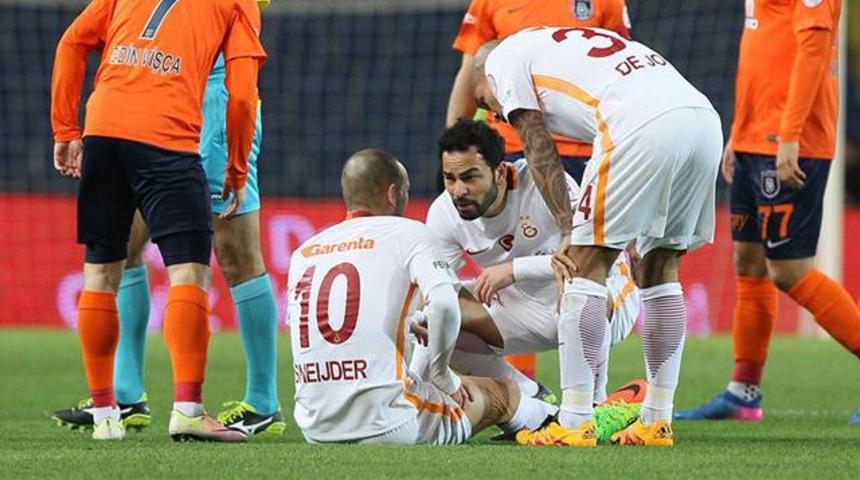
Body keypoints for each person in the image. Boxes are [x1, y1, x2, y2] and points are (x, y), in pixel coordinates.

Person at [471, 27, 721, 446]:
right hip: (702, 120)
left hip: (638, 123)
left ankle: (573, 421)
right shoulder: (559, 42)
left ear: (485, 75)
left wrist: (570, 228)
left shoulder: (501, 60)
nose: (495, 114)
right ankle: (656, 420)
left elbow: (536, 143)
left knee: (581, 266)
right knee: (660, 265)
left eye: (485, 101)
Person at [52, 0, 284, 439]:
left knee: (231, 246)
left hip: (211, 93)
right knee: (129, 243)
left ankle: (262, 400)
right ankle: (125, 393)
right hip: (153, 91)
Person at [286, 149, 556, 445]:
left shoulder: (304, 252)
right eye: (405, 191)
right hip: (388, 424)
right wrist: (442, 376)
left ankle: (542, 406)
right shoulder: (409, 234)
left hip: (314, 427)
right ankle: (559, 420)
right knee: (504, 394)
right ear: (393, 193)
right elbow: (443, 303)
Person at [675, 0, 859, 423]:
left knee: (790, 270)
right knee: (750, 263)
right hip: (754, 140)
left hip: (791, 142)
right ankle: (743, 393)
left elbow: (814, 47)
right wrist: (739, 131)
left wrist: (790, 135)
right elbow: (758, 49)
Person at [408, 119, 644, 442]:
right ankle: (532, 398)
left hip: (605, 296)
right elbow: (436, 297)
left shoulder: (547, 186)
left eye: (470, 177)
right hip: (525, 307)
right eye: (450, 178)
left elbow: (584, 259)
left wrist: (513, 270)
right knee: (438, 316)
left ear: (501, 173)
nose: (458, 190)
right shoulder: (444, 214)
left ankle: (593, 406)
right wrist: (412, 382)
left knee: (578, 290)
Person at [447, 0, 630, 182]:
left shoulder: (608, 2)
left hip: (585, 146)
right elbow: (471, 73)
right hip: (512, 147)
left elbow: (617, 68)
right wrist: (452, 149)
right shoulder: (488, 2)